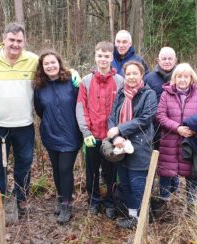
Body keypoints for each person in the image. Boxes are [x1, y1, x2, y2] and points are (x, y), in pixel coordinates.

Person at [0, 22, 38, 212]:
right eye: (11, 40)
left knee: (25, 163)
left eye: (19, 41)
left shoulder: (33, 60)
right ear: (3, 39)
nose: (15, 44)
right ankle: (1, 200)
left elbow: (57, 68)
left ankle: (21, 198)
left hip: (25, 124)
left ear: (24, 41)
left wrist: (74, 74)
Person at [76, 41, 124, 219]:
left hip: (111, 137)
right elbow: (81, 108)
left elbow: (123, 109)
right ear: (95, 57)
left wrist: (118, 133)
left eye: (106, 56)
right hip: (92, 137)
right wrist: (86, 132)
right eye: (100, 56)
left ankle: (110, 203)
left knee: (111, 173)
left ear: (112, 57)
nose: (103, 59)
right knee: (92, 172)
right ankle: (94, 201)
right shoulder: (86, 81)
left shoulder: (120, 81)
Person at [34, 50, 82, 224]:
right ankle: (61, 198)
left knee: (65, 169)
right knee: (56, 169)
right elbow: (39, 110)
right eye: (46, 64)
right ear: (42, 67)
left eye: (53, 62)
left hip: (71, 134)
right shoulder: (39, 87)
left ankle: (68, 204)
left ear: (59, 63)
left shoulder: (71, 82)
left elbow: (81, 104)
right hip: (50, 134)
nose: (50, 66)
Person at [107, 61, 157, 229]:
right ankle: (133, 217)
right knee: (126, 184)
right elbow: (111, 117)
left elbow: (145, 119)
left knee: (138, 186)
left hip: (139, 147)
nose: (131, 77)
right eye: (128, 74)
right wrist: (115, 139)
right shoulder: (121, 93)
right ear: (124, 75)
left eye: (135, 73)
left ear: (141, 74)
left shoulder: (148, 94)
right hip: (121, 147)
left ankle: (144, 222)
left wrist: (120, 129)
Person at [156, 63, 197, 210]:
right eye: (179, 76)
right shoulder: (165, 95)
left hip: (191, 144)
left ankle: (191, 207)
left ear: (191, 79)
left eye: (186, 76)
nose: (182, 79)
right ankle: (164, 205)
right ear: (174, 78)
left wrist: (195, 130)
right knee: (166, 173)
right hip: (169, 142)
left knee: (191, 175)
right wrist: (177, 128)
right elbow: (160, 116)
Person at [144, 46, 177, 149]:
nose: (167, 61)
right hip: (155, 127)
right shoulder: (149, 78)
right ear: (158, 60)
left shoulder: (181, 76)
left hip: (175, 126)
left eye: (170, 58)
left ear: (175, 60)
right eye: (164, 59)